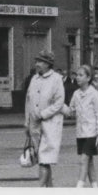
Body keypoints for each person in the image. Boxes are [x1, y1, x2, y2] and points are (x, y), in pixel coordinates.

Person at [25, 49, 65, 187]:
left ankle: (40, 190)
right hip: (35, 125)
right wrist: (27, 122)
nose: (37, 64)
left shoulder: (56, 79)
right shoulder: (34, 78)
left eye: (40, 62)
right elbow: (28, 100)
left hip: (51, 124)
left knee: (45, 159)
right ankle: (50, 190)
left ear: (48, 64)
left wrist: (43, 114)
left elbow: (59, 102)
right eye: (36, 61)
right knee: (42, 158)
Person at [63, 64, 98, 187]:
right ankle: (95, 186)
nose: (78, 78)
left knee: (84, 159)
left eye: (81, 75)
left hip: (92, 132)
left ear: (88, 78)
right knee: (89, 161)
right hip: (80, 132)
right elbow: (71, 110)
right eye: (77, 75)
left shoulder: (94, 94)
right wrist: (60, 105)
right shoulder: (76, 94)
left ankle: (79, 186)